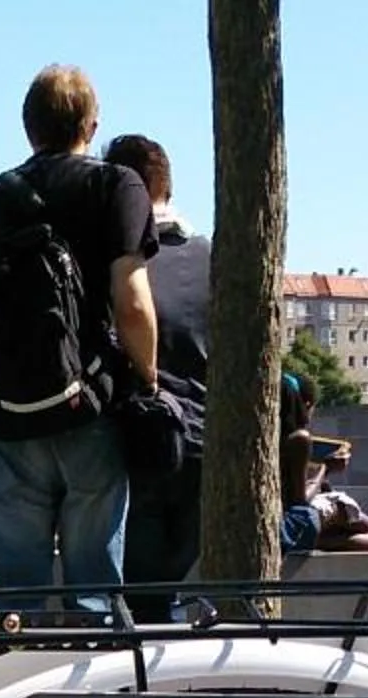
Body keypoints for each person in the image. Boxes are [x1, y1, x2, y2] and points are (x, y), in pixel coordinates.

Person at [0, 65, 159, 619]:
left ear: (27, 127)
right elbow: (133, 305)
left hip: (10, 418)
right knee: (95, 593)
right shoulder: (117, 186)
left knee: (15, 599)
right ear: (91, 125)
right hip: (92, 407)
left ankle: (18, 667)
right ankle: (92, 666)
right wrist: (148, 381)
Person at [102, 133, 211, 610]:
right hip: (205, 446)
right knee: (173, 595)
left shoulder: (116, 263)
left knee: (139, 602)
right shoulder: (214, 257)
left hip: (139, 446)